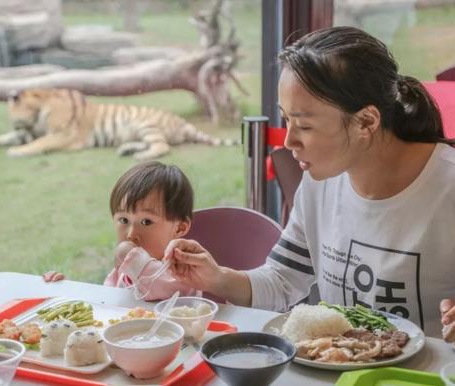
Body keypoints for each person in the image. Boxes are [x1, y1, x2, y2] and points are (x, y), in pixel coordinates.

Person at [164, 26, 455, 341]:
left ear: (367, 122)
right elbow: (282, 280)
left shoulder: (446, 188)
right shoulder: (321, 181)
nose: (289, 141)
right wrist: (217, 278)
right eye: (286, 120)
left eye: (304, 125)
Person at [44, 161, 199, 300]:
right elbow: (105, 301)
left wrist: (132, 257)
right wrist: (68, 291)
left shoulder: (185, 271)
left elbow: (160, 286)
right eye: (124, 220)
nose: (131, 234)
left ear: (179, 227)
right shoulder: (125, 268)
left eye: (146, 222)